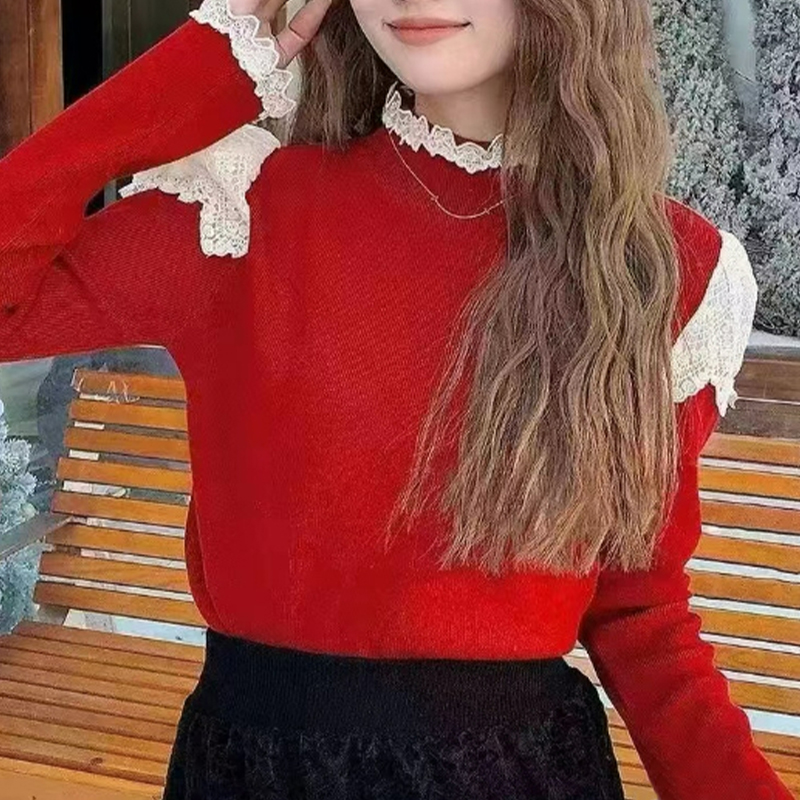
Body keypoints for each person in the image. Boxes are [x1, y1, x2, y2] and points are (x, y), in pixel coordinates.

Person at [0, 0, 791, 798]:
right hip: (256, 775)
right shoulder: (242, 212)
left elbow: (639, 615)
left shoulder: (663, 272)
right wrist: (200, 71)